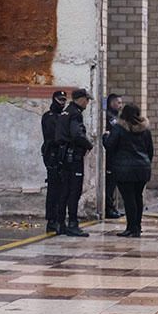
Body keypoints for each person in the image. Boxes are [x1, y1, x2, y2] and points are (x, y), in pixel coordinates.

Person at [104, 103, 154, 238]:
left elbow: (109, 145)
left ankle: (131, 228)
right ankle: (137, 227)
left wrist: (105, 137)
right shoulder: (145, 130)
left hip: (124, 170)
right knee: (138, 197)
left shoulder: (119, 129)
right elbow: (150, 150)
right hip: (143, 168)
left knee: (129, 199)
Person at [55, 88, 94, 237]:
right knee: (74, 191)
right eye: (87, 99)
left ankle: (60, 223)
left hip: (64, 157)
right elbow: (77, 134)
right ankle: (72, 223)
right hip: (73, 158)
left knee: (64, 191)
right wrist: (88, 145)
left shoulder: (65, 112)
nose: (88, 103)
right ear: (80, 99)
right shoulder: (75, 114)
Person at [41, 90, 67, 234]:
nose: (62, 103)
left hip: (61, 155)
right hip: (52, 154)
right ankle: (52, 220)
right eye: (60, 100)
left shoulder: (62, 116)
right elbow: (53, 136)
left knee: (63, 189)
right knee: (53, 190)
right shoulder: (49, 117)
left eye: (64, 100)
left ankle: (59, 218)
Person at [102, 93, 124, 219]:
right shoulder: (109, 117)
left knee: (113, 183)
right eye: (118, 103)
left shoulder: (115, 117)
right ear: (111, 103)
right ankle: (109, 208)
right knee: (110, 183)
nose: (120, 106)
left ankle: (112, 207)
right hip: (110, 155)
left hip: (115, 154)